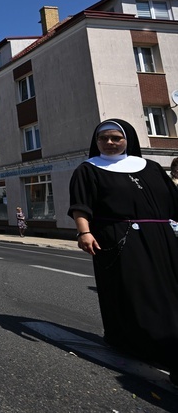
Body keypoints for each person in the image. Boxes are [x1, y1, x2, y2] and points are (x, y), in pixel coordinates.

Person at [69, 119, 178, 385]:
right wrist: (84, 232)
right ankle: (148, 345)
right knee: (135, 291)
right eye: (103, 138)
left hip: (161, 237)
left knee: (169, 290)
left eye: (116, 137)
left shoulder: (150, 167)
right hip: (118, 238)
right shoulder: (89, 169)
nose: (109, 142)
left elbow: (173, 201)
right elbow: (81, 205)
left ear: (128, 139)